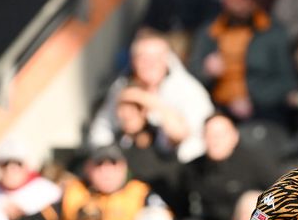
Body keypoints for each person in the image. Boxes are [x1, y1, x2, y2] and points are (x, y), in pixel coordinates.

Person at [88, 29, 215, 165]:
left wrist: (146, 100)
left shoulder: (190, 91)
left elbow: (188, 137)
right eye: (143, 58)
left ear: (167, 59)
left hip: (179, 165)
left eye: (156, 57)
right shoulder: (123, 86)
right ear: (133, 61)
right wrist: (106, 156)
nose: (150, 64)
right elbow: (102, 127)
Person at [189, 0, 296, 123]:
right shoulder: (208, 32)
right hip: (215, 111)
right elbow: (190, 78)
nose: (243, 1)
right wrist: (206, 72)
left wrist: (253, 99)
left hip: (262, 113)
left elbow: (287, 81)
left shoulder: (274, 33)